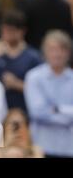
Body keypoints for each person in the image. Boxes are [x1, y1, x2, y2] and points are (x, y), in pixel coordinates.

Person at [24, 30, 73, 158]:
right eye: (52, 49)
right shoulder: (33, 77)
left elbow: (46, 112)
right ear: (44, 52)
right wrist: (68, 115)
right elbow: (37, 112)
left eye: (62, 49)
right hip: (41, 147)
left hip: (69, 147)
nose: (57, 54)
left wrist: (56, 109)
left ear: (68, 53)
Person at [0, 10, 42, 112]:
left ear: (22, 31)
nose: (6, 34)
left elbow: (41, 90)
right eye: (4, 29)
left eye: (11, 30)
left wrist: (17, 84)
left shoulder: (33, 57)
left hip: (24, 110)